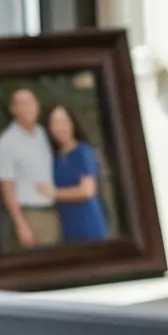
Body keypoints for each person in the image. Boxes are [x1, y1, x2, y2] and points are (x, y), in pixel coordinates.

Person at [0, 86, 62, 251]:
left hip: (53, 214)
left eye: (31, 102)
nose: (28, 107)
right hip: (30, 217)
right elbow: (7, 187)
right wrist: (21, 225)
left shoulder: (42, 133)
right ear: (13, 109)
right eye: (22, 103)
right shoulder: (6, 143)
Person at [47, 104, 111, 243]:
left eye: (63, 122)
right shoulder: (55, 158)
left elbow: (87, 191)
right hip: (67, 227)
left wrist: (53, 194)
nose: (59, 128)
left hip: (88, 225)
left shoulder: (83, 151)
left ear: (72, 123)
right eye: (55, 123)